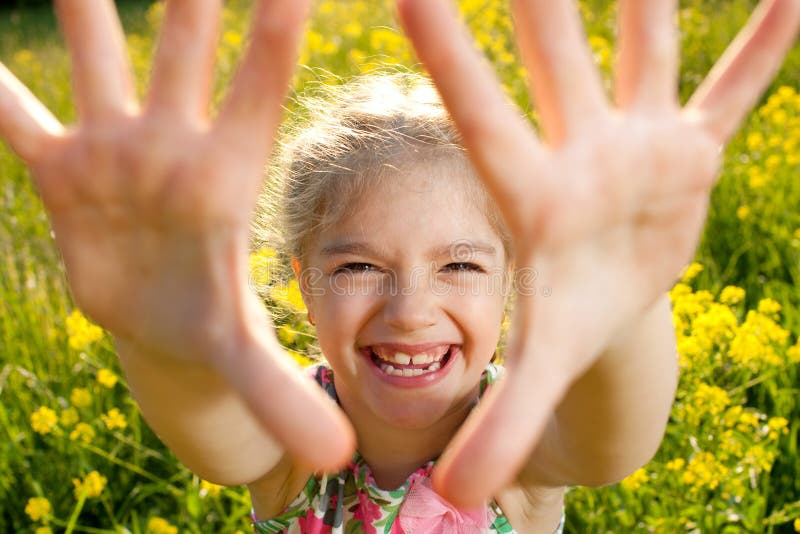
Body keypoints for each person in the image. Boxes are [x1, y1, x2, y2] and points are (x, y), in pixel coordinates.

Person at [0, 0, 797, 532]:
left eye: (459, 266)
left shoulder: (517, 443)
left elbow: (613, 444)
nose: (411, 310)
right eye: (356, 269)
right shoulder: (287, 448)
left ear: (514, 280)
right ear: (296, 283)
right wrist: (159, 337)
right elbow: (212, 435)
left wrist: (624, 303)